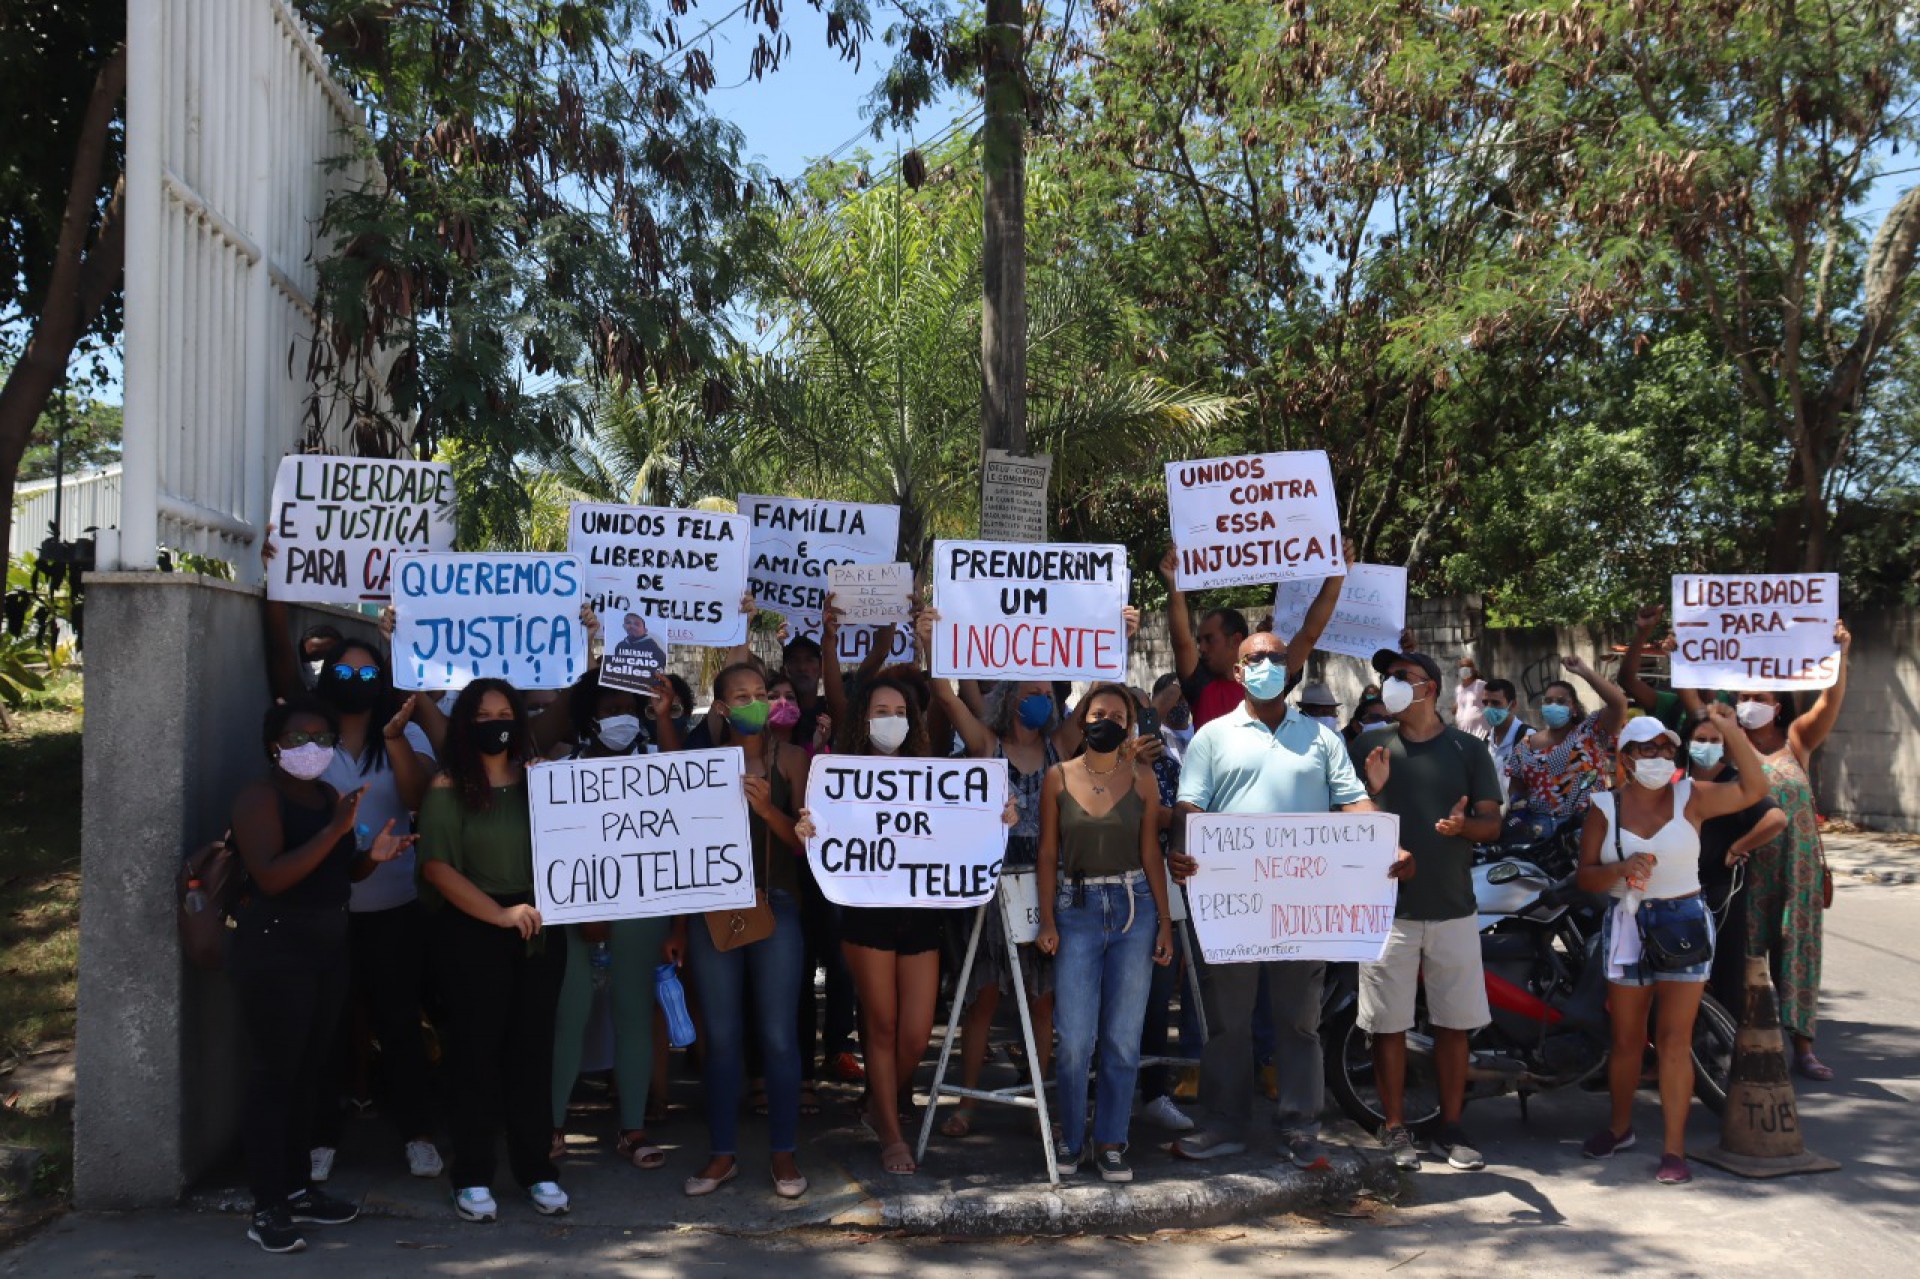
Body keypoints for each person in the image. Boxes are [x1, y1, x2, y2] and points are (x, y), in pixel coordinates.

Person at [1168, 629, 1412, 1168]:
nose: (1267, 665)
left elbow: (1352, 803)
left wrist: (1384, 844)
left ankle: (1300, 1127)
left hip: (1303, 905)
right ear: (1237, 672)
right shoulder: (1211, 737)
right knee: (1228, 1023)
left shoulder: (1322, 740)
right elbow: (1189, 807)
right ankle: (1225, 1124)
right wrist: (1183, 847)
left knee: (1300, 1023)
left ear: (1290, 668)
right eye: (1255, 659)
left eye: (1276, 658)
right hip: (1232, 904)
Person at [793, 677, 1017, 1175]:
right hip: (866, 916)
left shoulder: (932, 773)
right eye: (881, 709)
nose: (891, 718)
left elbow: (968, 818)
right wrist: (808, 829)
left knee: (916, 1035)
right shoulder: (836, 777)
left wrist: (998, 817)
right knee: (882, 1024)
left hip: (921, 916)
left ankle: (879, 1101)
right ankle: (890, 1130)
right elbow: (822, 833)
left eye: (899, 710)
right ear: (863, 718)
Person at [229, 696, 413, 1253]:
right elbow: (272, 877)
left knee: (310, 1074)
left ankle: (299, 1189)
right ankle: (267, 1205)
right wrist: (337, 830)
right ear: (273, 745)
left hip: (327, 949)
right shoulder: (258, 798)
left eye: (321, 737)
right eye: (297, 737)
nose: (311, 747)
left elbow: (340, 871)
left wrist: (371, 856)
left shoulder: (329, 796)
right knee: (274, 1078)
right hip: (275, 951)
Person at [1576, 708, 1772, 1184]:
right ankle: (1620, 1127)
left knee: (1674, 1042)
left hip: (1683, 919)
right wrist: (1620, 871)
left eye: (1667, 748)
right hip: (1628, 924)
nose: (1661, 757)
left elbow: (1755, 789)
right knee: (1626, 1041)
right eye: (1648, 750)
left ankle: (1674, 1150)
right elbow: (1584, 878)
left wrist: (1729, 730)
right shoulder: (1604, 807)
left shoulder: (1692, 797)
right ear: (1626, 758)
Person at [417, 680, 571, 1223]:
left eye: (506, 713)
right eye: (484, 715)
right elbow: (437, 867)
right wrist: (500, 915)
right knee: (476, 1057)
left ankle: (537, 1172)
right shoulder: (446, 786)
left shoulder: (543, 783)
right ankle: (474, 1175)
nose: (496, 723)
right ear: (464, 722)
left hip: (540, 930)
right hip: (474, 932)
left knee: (532, 1055)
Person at [1353, 648, 1503, 1172]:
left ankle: (1452, 1127)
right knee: (1387, 1025)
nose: (1389, 685)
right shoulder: (1370, 744)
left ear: (1430, 687)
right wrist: (1370, 793)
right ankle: (1395, 1128)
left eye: (1401, 677)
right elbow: (1344, 816)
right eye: (1386, 677)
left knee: (1453, 1024)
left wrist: (1465, 829)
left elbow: (1492, 823)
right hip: (1384, 912)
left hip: (1453, 909)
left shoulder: (1468, 750)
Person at [669, 663, 813, 1200]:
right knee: (722, 1038)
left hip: (776, 905)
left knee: (778, 1037)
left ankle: (783, 1154)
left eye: (762, 695)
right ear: (722, 708)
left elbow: (802, 844)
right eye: (743, 697)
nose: (757, 704)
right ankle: (722, 1154)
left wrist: (767, 809)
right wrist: (679, 924)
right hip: (712, 909)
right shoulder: (698, 764)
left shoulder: (793, 759)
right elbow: (680, 850)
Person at [1035, 686, 1175, 1181]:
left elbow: (1151, 852)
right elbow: (1048, 854)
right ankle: (1071, 1139)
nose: (1108, 721)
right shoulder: (1058, 776)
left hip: (1134, 908)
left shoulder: (1142, 778)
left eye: (1118, 715)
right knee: (1074, 1038)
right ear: (1082, 717)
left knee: (1122, 1037)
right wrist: (1047, 918)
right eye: (1099, 713)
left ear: (1131, 723)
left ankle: (1112, 1140)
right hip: (1076, 908)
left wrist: (1164, 921)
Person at [549, 668, 682, 1170]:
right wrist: (584, 913)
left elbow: (687, 790)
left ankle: (632, 1129)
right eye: (607, 710)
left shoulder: (655, 759)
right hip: (577, 918)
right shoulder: (563, 771)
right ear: (589, 718)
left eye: (628, 709)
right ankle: (554, 1124)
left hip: (642, 914)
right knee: (570, 1015)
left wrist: (665, 716)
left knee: (633, 1017)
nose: (619, 717)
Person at [1731, 622, 1852, 1080]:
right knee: (1744, 956)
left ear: (1776, 707)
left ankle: (1803, 1047)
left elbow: (1830, 702)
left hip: (1795, 871)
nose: (1749, 706)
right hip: (1746, 869)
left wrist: (1840, 655)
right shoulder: (1730, 745)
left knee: (1799, 954)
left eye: (1758, 699)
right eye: (1742, 698)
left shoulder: (1795, 741)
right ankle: (1744, 1043)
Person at [1157, 544, 1346, 729]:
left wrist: (1336, 576)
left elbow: (1309, 635)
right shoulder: (1200, 683)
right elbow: (1180, 642)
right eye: (1199, 641)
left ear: (1236, 640)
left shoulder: (1269, 677)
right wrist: (1174, 584)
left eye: (1209, 639)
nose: (1201, 648)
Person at [1681, 708, 1787, 1014]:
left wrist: (1739, 846)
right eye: (1701, 739)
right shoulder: (1677, 782)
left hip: (1722, 892)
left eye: (1715, 740)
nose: (1707, 745)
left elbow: (1776, 819)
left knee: (1725, 970)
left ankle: (1724, 1044)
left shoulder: (1735, 784)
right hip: (1680, 890)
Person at [1505, 654, 1630, 825]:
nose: (1553, 706)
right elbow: (1516, 789)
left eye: (1561, 701)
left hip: (1588, 825)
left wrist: (1584, 671)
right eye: (1548, 701)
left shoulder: (1590, 732)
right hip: (1541, 831)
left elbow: (1619, 704)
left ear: (1574, 709)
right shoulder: (1525, 745)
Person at [1472, 679, 1530, 806]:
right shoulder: (1486, 741)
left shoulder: (1528, 737)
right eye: (1485, 702)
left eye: (1495, 703)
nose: (1489, 708)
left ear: (1513, 704)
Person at [1453, 656, 1488, 736]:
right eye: (1461, 666)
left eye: (1466, 666)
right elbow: (1459, 706)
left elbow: (1491, 704)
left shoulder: (1481, 685)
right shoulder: (1458, 689)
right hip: (1463, 733)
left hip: (1479, 733)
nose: (1464, 669)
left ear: (1472, 669)